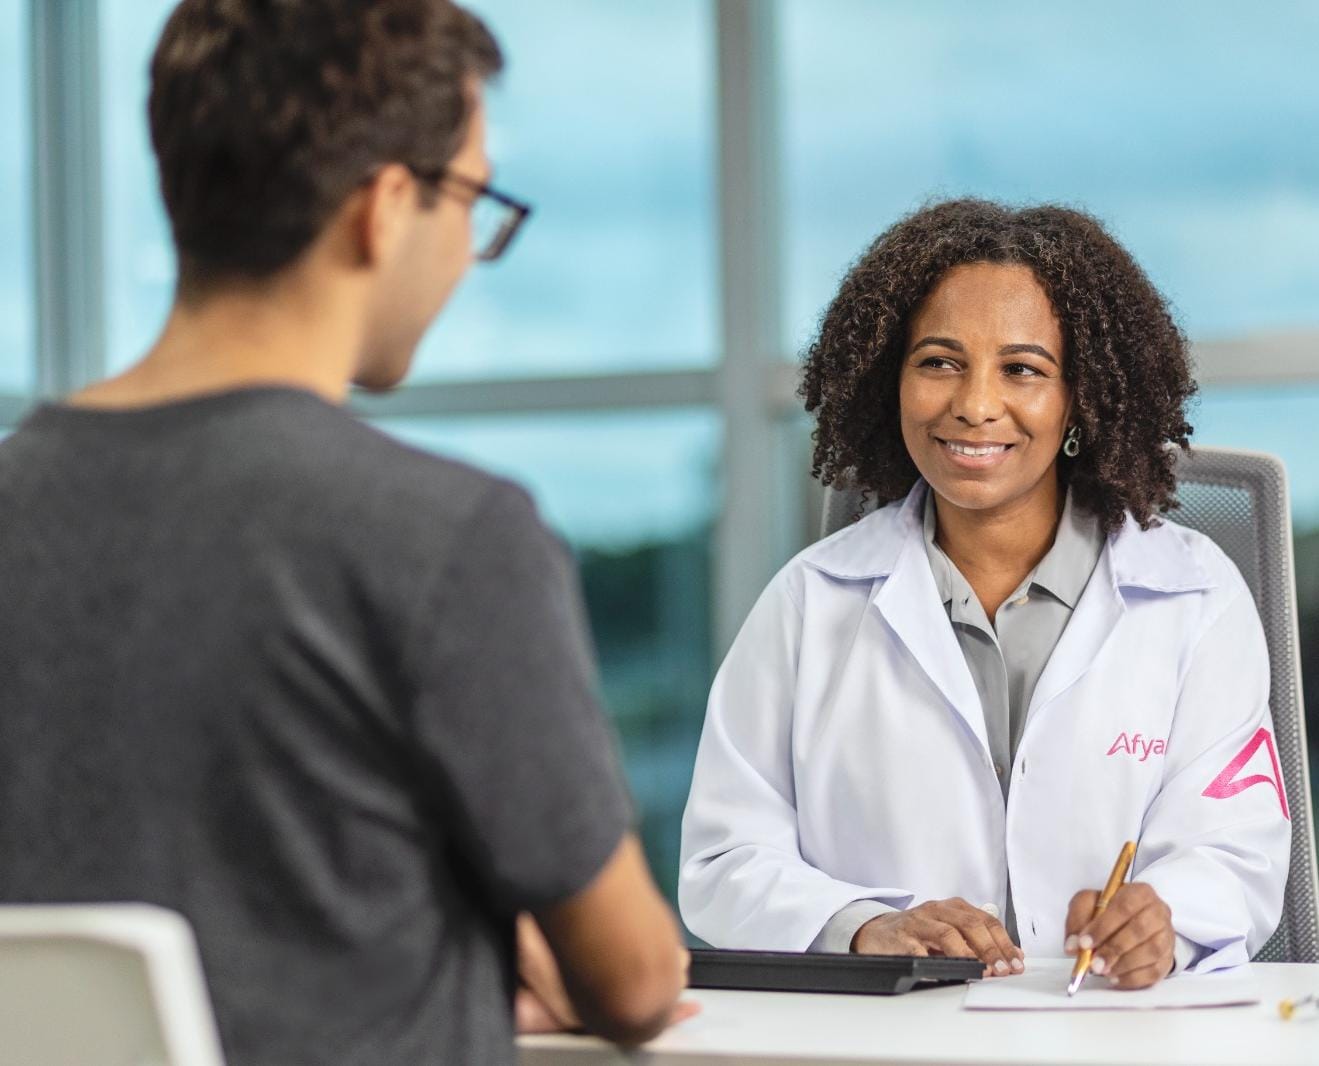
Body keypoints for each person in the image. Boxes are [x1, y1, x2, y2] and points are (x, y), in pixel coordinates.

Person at [0, 1, 689, 1062]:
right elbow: (632, 983)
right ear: (385, 207)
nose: (469, 251)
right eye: (472, 199)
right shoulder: (447, 534)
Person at [679, 199, 1291, 990]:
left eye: (1021, 369)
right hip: (884, 1037)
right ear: (889, 380)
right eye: (938, 362)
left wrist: (1164, 921)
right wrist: (862, 925)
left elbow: (1236, 850)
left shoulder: (1193, 596)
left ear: (1079, 398)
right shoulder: (810, 601)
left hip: (1113, 1030)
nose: (972, 404)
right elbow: (724, 858)